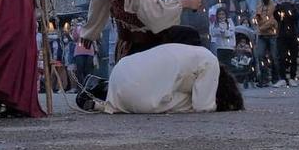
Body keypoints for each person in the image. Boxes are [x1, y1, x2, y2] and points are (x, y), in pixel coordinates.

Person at [96, 44, 243, 113]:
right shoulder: (210, 62)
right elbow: (203, 106)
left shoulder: (193, 52)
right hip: (138, 96)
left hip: (120, 72)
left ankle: (101, 101)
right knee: (190, 102)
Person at [274, 0, 299, 87]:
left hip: (293, 34)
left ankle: (292, 77)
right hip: (281, 34)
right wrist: (278, 4)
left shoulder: (295, 3)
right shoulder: (279, 5)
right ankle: (282, 78)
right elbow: (276, 16)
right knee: (281, 57)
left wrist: (293, 4)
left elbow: (297, 15)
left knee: (293, 57)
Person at [253, 0, 282, 88]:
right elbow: (256, 18)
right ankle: (264, 78)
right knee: (260, 55)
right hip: (262, 35)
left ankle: (275, 78)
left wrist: (261, 27)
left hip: (272, 34)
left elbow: (273, 21)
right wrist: (255, 20)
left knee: (274, 56)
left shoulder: (274, 6)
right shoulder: (259, 7)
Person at [72, 19, 96, 87]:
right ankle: (81, 87)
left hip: (89, 51)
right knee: (80, 70)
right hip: (79, 52)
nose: (82, 22)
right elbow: (75, 38)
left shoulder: (90, 28)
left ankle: (88, 87)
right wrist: (75, 27)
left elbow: (94, 36)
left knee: (88, 71)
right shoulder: (78, 28)